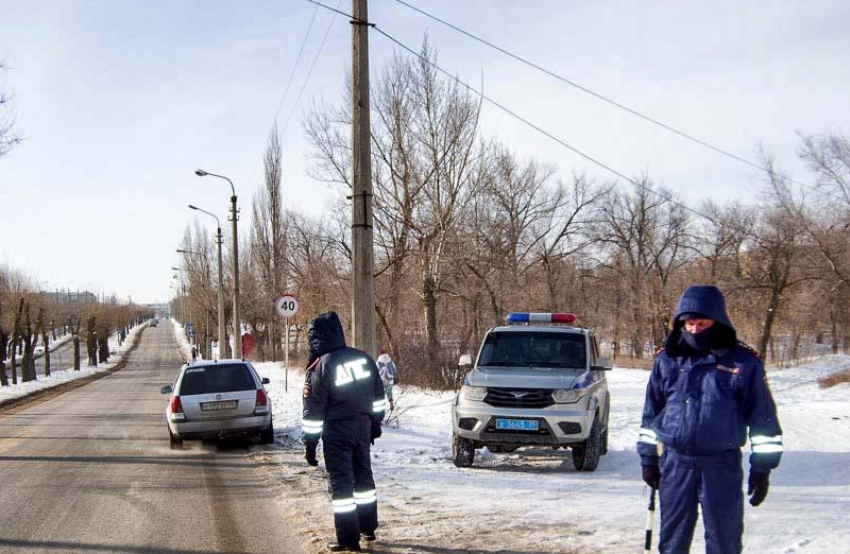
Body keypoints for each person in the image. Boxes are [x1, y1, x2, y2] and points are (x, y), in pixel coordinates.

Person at [637, 285, 783, 554]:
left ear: (718, 321)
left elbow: (763, 419)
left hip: (720, 466)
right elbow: (651, 414)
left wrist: (762, 468)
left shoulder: (743, 363)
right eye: (689, 323)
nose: (694, 330)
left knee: (723, 541)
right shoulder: (667, 360)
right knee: (672, 542)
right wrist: (648, 459)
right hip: (675, 464)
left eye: (701, 323)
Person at [302, 311, 386, 552]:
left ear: (316, 338)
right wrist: (375, 424)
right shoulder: (362, 358)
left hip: (337, 432)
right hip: (362, 429)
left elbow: (313, 412)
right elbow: (378, 396)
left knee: (342, 486)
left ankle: (348, 540)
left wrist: (310, 446)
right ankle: (368, 528)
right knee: (363, 479)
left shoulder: (320, 366)